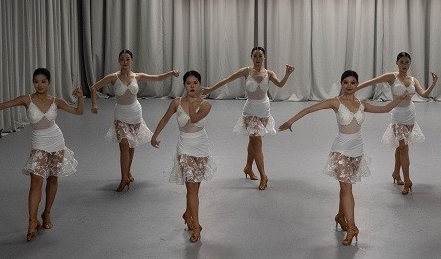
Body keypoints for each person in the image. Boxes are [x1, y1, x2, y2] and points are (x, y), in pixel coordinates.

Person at [277, 70, 410, 245]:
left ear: (357, 84)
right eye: (345, 82)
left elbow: (385, 109)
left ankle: (341, 216)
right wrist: (290, 121)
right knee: (347, 188)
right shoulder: (336, 102)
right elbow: (309, 109)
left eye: (353, 82)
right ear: (341, 84)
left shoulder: (362, 104)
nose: (349, 86)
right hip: (340, 150)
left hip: (358, 151)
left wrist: (399, 99)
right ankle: (352, 227)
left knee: (344, 187)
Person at [0, 68, 84, 241]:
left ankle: (46, 213)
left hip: (57, 142)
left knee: (53, 179)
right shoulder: (27, 99)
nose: (39, 85)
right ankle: (32, 221)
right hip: (39, 144)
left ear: (49, 82)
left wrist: (81, 98)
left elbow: (78, 112)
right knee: (36, 181)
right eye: (36, 81)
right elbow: (3, 105)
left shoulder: (56, 101)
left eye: (43, 81)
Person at [203, 47, 294, 190]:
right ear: (251, 57)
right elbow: (227, 80)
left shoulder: (269, 73)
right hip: (250, 111)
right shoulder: (246, 71)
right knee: (257, 141)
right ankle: (264, 176)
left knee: (253, 141)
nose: (257, 58)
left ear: (264, 57)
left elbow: (280, 84)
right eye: (255, 56)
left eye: (260, 56)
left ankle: (248, 167)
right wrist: (210, 89)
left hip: (264, 111)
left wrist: (287, 74)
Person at [90, 49, 180, 192]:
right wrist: (94, 104)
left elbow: (157, 77)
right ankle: (123, 178)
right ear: (119, 61)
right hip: (120, 114)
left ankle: (128, 173)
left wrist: (171, 73)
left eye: (127, 59)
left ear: (132, 61)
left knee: (131, 145)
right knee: (124, 145)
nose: (125, 62)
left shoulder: (137, 76)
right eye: (122, 59)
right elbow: (94, 87)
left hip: (135, 113)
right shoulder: (113, 77)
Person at [356, 52, 438, 194]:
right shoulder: (391, 77)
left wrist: (434, 83)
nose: (404, 65)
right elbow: (372, 82)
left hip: (410, 115)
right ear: (397, 63)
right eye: (402, 62)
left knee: (401, 148)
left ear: (410, 63)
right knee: (404, 148)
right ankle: (407, 180)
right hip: (398, 116)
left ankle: (395, 172)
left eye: (407, 62)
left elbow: (423, 94)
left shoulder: (413, 79)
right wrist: (353, 89)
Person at [151, 71, 215, 243]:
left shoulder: (206, 105)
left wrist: (194, 103)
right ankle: (197, 226)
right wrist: (154, 136)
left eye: (195, 83)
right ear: (184, 85)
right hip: (184, 146)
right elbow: (165, 119)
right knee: (191, 187)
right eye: (188, 83)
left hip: (201, 146)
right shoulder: (176, 103)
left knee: (195, 188)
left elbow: (194, 119)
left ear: (200, 85)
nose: (192, 86)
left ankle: (187, 214)